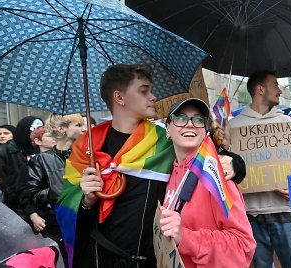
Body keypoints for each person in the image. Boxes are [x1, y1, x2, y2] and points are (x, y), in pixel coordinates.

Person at [56, 64, 242, 268]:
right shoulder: (85, 148)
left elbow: (211, 158)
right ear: (119, 98)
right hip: (99, 259)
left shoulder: (165, 139)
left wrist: (237, 165)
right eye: (144, 91)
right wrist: (86, 201)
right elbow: (68, 216)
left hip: (151, 261)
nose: (153, 97)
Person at [159, 98, 256, 267]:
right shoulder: (166, 172)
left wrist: (185, 237)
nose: (190, 124)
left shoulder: (217, 176)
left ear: (205, 131)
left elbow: (243, 246)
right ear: (168, 129)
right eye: (181, 118)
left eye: (198, 120)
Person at [229, 70, 291, 268]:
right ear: (260, 89)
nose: (280, 90)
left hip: (285, 212)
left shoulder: (287, 123)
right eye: (275, 85)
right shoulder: (233, 126)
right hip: (250, 216)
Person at [27, 114, 85, 264]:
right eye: (78, 125)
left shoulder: (87, 156)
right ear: (62, 129)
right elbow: (33, 194)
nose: (84, 129)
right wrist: (61, 190)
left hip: (85, 220)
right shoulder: (41, 159)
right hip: (57, 223)